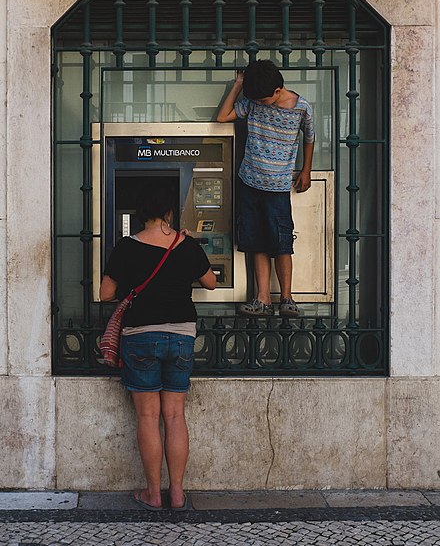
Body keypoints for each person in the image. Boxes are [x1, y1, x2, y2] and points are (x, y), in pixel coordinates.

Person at [99, 183, 216, 511]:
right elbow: (211, 282)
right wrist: (185, 246)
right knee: (175, 416)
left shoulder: (126, 246)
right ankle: (177, 493)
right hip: (181, 336)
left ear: (139, 212)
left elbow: (106, 293)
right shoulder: (187, 245)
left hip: (141, 336)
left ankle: (153, 493)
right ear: (169, 212)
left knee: (149, 416)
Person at [217, 59, 315, 317]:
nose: (260, 104)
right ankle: (262, 299)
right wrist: (238, 85)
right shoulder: (252, 101)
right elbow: (223, 116)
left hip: (279, 187)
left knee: (282, 244)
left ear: (277, 90)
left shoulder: (301, 107)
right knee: (256, 242)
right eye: (256, 100)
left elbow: (309, 137)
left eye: (264, 100)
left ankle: (287, 298)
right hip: (250, 182)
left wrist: (306, 170)